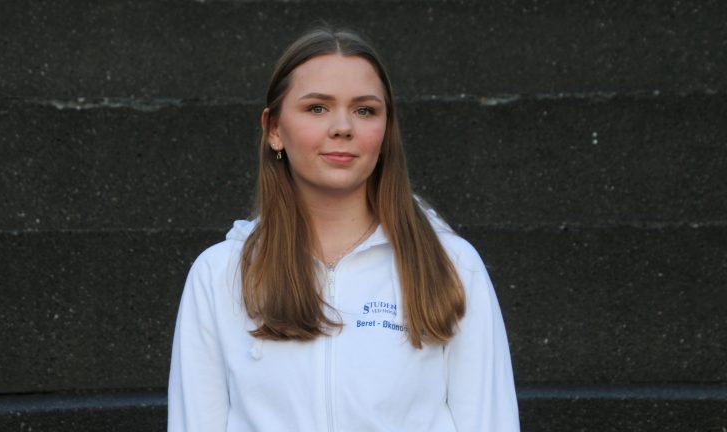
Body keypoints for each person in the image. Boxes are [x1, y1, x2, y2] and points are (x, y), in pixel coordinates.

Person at [167, 26, 519, 432]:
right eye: (317, 108)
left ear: (385, 131)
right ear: (274, 129)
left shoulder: (452, 265)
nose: (343, 127)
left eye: (365, 110)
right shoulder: (218, 275)